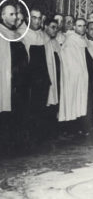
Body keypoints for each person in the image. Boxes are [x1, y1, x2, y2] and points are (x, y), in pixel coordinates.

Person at [59, 18, 93, 134]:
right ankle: (78, 127)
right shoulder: (70, 41)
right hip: (77, 78)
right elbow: (70, 62)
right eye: (79, 26)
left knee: (88, 101)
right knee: (78, 101)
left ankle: (87, 126)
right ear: (74, 27)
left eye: (84, 26)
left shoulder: (85, 40)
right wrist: (80, 73)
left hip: (88, 76)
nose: (82, 28)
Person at [0, 4, 29, 150]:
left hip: (19, 80)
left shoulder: (17, 34)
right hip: (6, 80)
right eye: (10, 14)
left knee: (17, 111)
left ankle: (15, 144)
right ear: (2, 16)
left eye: (15, 14)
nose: (14, 17)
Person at [22, 8, 51, 142]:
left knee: (41, 108)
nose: (37, 20)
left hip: (43, 78)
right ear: (28, 19)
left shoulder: (44, 35)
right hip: (29, 79)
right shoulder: (22, 34)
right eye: (34, 17)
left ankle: (39, 135)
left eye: (39, 18)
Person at [43, 18, 62, 136]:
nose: (55, 30)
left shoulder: (55, 42)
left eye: (56, 28)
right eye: (52, 27)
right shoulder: (42, 41)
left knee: (54, 103)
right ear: (45, 27)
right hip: (47, 78)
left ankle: (52, 130)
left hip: (56, 77)